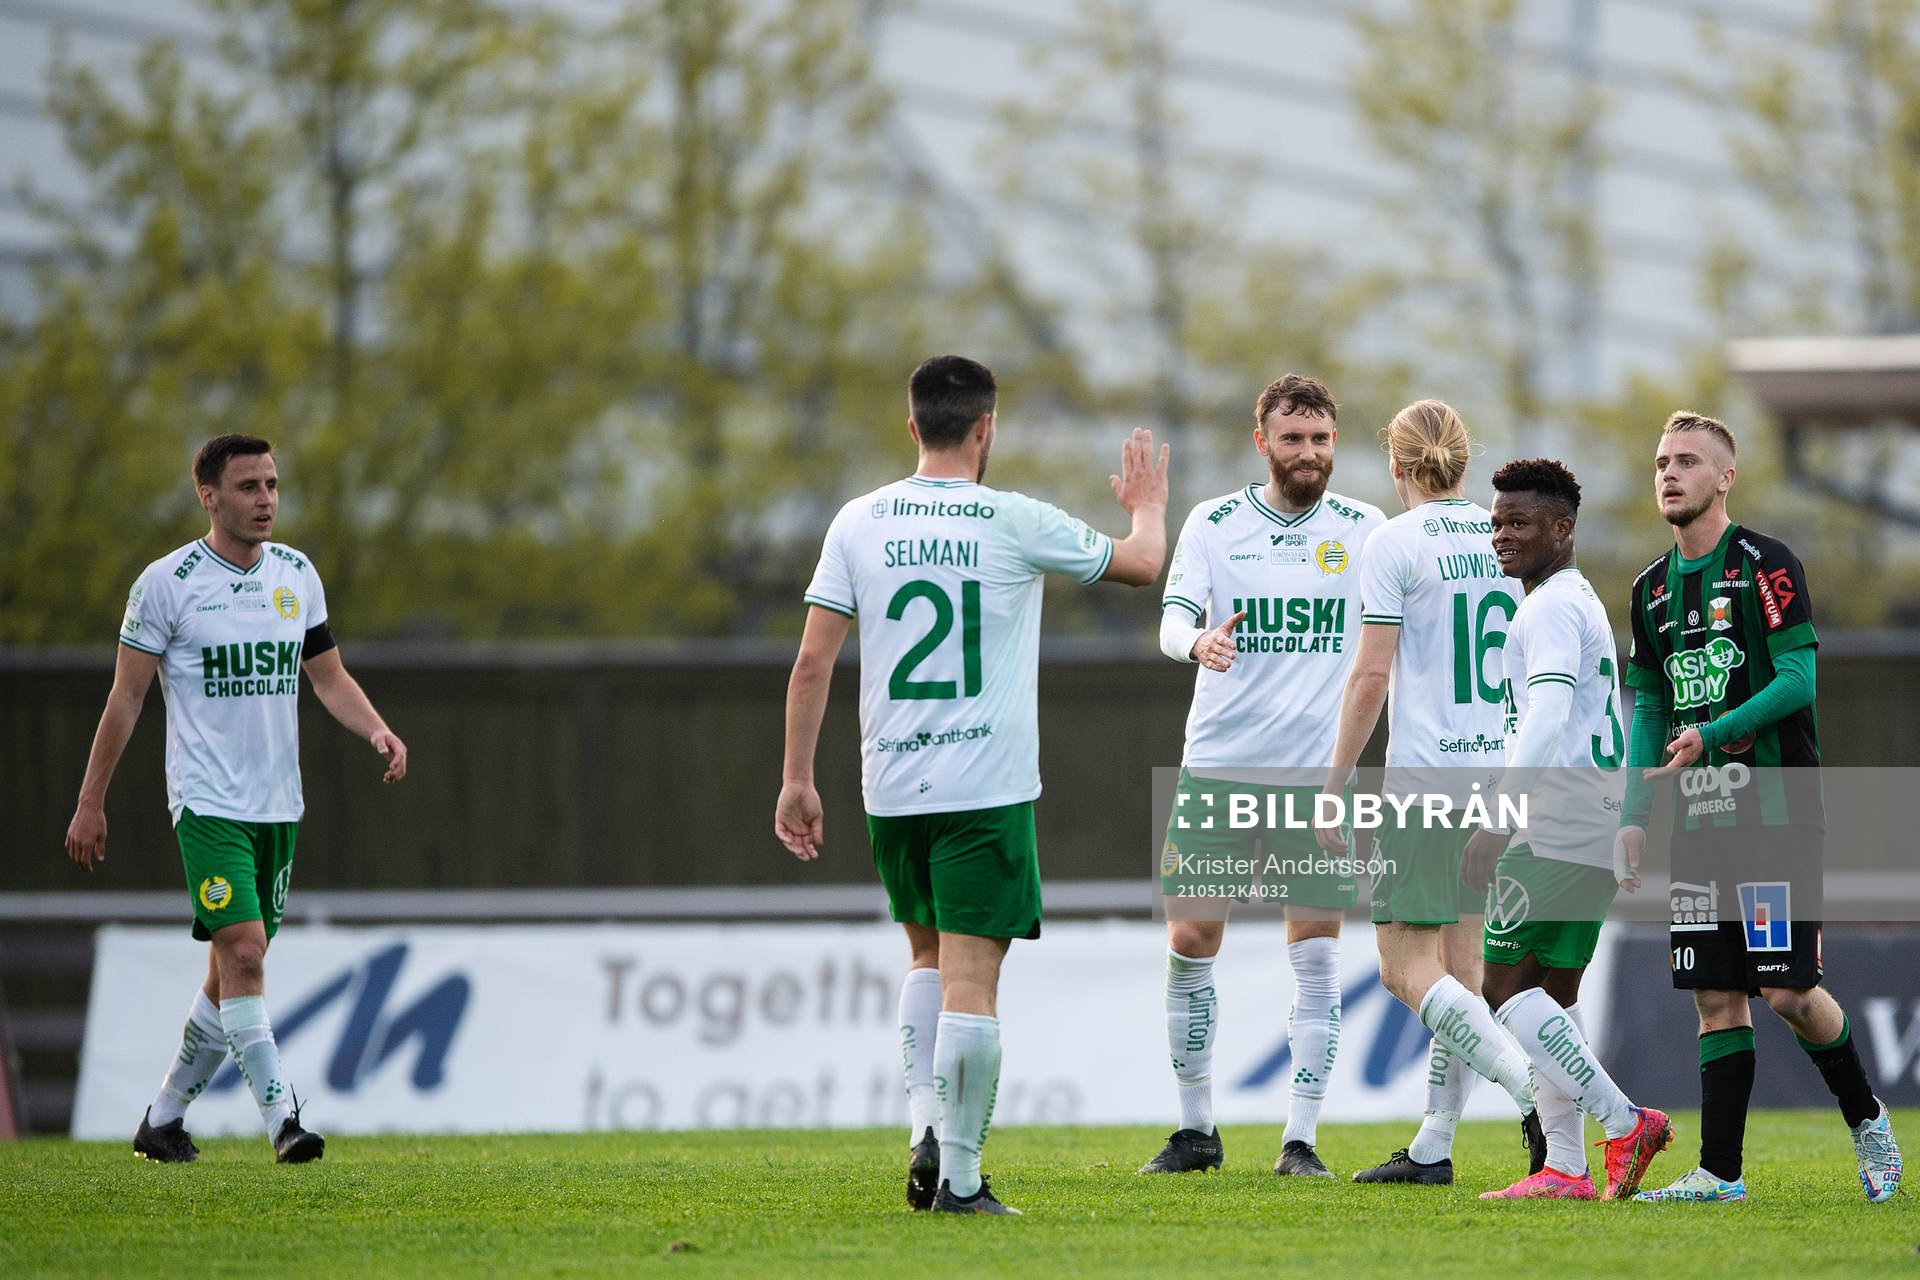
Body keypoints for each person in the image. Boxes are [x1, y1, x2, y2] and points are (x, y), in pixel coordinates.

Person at [775, 354, 1168, 1215]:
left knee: (924, 955)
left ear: (912, 426)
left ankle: (924, 1119)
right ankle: (957, 1176)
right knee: (972, 984)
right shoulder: (1011, 519)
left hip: (893, 787)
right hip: (982, 789)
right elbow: (1142, 565)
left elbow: (811, 662)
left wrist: (797, 779)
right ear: (987, 427)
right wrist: (1146, 506)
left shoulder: (858, 521)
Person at [64, 433, 408, 1165]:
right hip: (207, 802)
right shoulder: (167, 583)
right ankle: (284, 1120)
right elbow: (125, 698)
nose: (265, 501)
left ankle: (162, 1120)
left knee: (231, 971)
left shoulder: (297, 575)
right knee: (247, 951)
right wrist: (91, 801)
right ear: (208, 495)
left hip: (278, 803)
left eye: (273, 485)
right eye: (249, 486)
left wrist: (376, 729)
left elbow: (327, 677)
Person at [1617, 412, 1900, 1204]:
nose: (1668, 474)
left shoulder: (1766, 564)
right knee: (1716, 996)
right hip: (1700, 824)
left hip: (1778, 814)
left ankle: (1869, 1120)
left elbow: (1798, 682)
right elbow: (1646, 707)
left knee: (1787, 991)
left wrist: (1713, 733)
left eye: (1687, 462)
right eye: (1661, 461)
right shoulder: (1649, 589)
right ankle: (1720, 1173)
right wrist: (1636, 812)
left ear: (1725, 477)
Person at [1140, 374, 1384, 1179]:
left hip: (1317, 782)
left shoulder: (1367, 529)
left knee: (1315, 955)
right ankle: (1195, 1130)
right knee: (1188, 941)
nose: (1309, 453)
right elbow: (1173, 618)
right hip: (1218, 769)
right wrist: (1196, 644)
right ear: (1263, 443)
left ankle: (1302, 1140)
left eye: (1320, 440)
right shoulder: (1214, 523)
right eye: (1293, 439)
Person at [1316, 399, 1543, 1186]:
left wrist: (1334, 780)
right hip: (1497, 776)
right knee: (1460, 964)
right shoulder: (1504, 538)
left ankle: (1538, 1094)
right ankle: (1434, 1146)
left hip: (1425, 780)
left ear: (1396, 465)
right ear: (1462, 463)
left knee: (1402, 968)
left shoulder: (1392, 541)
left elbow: (1372, 673)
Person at [1459, 458, 1670, 1200]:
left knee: (1504, 987)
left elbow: (1547, 716)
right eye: (1497, 523)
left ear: (1563, 528)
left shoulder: (1548, 607)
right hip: (1597, 817)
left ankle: (1624, 1122)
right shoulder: (1577, 600)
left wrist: (1499, 817)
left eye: (1519, 522)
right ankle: (1564, 1167)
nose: (1503, 536)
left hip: (1555, 819)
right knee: (1554, 992)